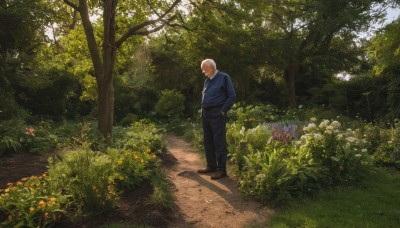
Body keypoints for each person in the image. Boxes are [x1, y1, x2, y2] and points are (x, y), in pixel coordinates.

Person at [197, 59, 236, 180]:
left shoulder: (224, 77)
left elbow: (232, 96)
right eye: (202, 69)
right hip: (206, 114)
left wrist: (223, 110)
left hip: (217, 113)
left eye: (205, 69)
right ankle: (211, 166)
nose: (203, 71)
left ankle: (222, 170)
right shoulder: (207, 81)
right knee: (208, 140)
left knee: (219, 141)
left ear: (212, 67)